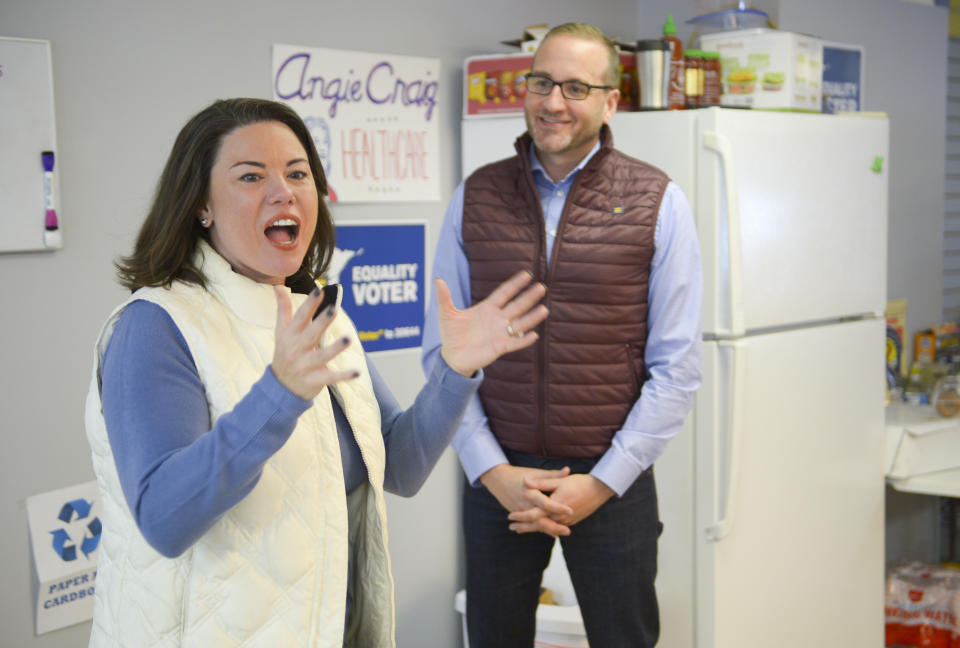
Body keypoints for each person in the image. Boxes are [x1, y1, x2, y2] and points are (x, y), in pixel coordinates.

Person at [83, 97, 548, 648]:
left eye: (298, 173)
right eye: (251, 176)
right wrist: (278, 396)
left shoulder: (318, 313)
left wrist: (454, 369)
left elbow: (399, 465)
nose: (283, 191)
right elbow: (165, 520)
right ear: (200, 205)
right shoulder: (155, 326)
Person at [422, 23, 702, 648]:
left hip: (611, 477)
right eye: (543, 82)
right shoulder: (475, 197)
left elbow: (677, 366)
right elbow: (442, 354)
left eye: (576, 87)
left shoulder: (659, 200)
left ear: (610, 101)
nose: (554, 102)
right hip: (500, 478)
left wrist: (601, 482)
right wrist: (491, 471)